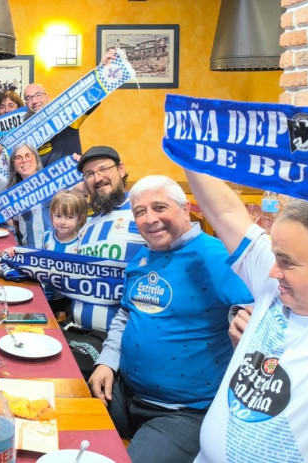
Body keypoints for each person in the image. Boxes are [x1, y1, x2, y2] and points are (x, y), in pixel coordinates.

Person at [87, 175, 252, 463]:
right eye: (140, 212)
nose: (150, 219)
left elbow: (261, 315)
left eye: (160, 208)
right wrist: (107, 361)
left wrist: (246, 324)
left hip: (183, 413)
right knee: (63, 426)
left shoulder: (218, 256)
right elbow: (126, 313)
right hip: (125, 394)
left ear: (185, 209)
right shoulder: (141, 257)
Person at [184, 169, 308, 462]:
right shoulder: (275, 287)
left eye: (286, 262)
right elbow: (226, 211)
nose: (272, 271)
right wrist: (183, 139)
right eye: (274, 256)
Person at [63, 146, 146, 379]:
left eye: (103, 169)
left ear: (121, 169)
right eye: (89, 174)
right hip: (76, 330)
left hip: (113, 339)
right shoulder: (88, 224)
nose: (97, 178)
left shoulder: (141, 213)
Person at [41, 189, 88, 316]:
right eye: (58, 216)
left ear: (80, 219)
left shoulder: (81, 242)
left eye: (69, 217)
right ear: (51, 215)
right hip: (44, 294)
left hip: (66, 299)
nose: (62, 221)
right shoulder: (47, 236)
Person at [0, 143, 51, 248]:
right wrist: (3, 212)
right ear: (14, 167)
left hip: (52, 252)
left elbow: (81, 188)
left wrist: (82, 165)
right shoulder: (14, 194)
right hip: (27, 252)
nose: (24, 160)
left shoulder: (51, 182)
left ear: (36, 160)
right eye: (18, 158)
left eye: (28, 155)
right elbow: (18, 229)